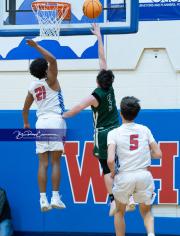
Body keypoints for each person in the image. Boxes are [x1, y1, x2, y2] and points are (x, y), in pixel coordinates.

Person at [62, 23, 135, 216]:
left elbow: (75, 110)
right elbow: (102, 59)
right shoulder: (110, 87)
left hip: (103, 134)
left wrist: (60, 114)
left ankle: (113, 201)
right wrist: (99, 37)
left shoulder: (94, 96)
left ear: (97, 81)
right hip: (118, 130)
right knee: (123, 164)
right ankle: (130, 197)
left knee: (106, 168)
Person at [107, 96, 162, 236]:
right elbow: (158, 154)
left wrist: (112, 172)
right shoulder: (145, 130)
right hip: (143, 175)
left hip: (124, 176)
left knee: (119, 212)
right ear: (136, 113)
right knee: (146, 213)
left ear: (120, 113)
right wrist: (147, 155)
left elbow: (110, 159)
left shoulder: (114, 133)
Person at [23, 40, 66, 212]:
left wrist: (26, 123)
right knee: (56, 163)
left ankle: (42, 199)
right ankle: (55, 197)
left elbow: (25, 109)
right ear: (46, 70)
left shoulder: (33, 87)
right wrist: (36, 47)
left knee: (43, 164)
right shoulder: (52, 81)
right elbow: (54, 59)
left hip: (40, 123)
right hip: (55, 120)